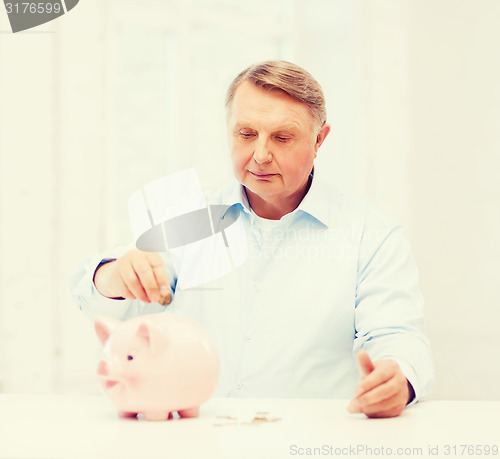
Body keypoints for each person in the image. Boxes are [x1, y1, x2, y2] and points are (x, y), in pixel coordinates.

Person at [70, 60, 434, 418]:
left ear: (319, 138)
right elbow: (101, 301)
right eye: (246, 135)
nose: (260, 155)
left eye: (282, 137)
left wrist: (399, 379)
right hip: (199, 439)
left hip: (312, 439)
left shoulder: (371, 235)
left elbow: (397, 334)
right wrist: (114, 276)